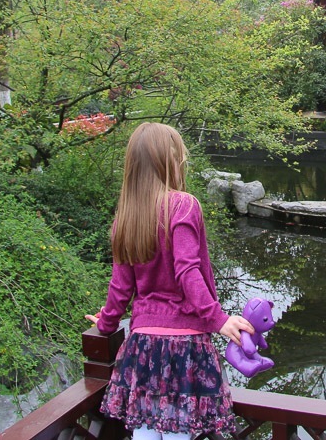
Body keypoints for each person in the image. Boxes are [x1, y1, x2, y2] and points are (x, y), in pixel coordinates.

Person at [86, 122, 253, 440]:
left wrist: (105, 325)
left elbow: (120, 290)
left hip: (144, 345)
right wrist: (218, 318)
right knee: (178, 432)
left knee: (146, 432)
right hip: (183, 346)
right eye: (179, 157)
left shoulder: (126, 218)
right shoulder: (184, 205)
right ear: (169, 162)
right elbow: (187, 271)